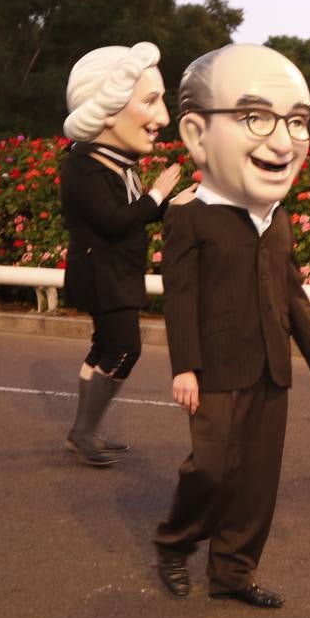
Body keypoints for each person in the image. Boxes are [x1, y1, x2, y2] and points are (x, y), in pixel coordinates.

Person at [153, 44, 310, 609]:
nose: (283, 141)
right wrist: (184, 366)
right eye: (256, 117)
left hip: (269, 368)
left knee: (258, 479)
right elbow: (178, 298)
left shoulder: (275, 217)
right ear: (195, 133)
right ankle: (174, 542)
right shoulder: (189, 215)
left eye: (298, 123)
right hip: (214, 367)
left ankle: (234, 572)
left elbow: (291, 290)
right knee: (209, 467)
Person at [59, 43, 187, 467]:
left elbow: (134, 213)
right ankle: (83, 430)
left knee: (103, 347)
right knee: (124, 349)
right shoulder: (83, 165)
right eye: (150, 101)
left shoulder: (115, 160)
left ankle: (84, 431)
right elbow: (114, 220)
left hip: (116, 271)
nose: (164, 118)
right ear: (106, 107)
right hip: (101, 273)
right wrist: (158, 194)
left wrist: (175, 203)